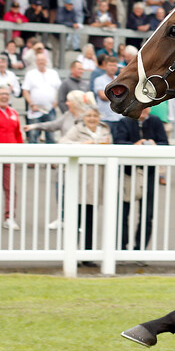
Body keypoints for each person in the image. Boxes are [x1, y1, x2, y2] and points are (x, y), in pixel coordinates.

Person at [59, 106, 112, 264]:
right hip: (80, 180)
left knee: (90, 220)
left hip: (97, 181)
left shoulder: (104, 130)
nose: (91, 119)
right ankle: (71, 254)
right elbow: (63, 143)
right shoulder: (77, 129)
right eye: (88, 116)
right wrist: (85, 144)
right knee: (75, 220)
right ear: (83, 117)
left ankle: (87, 255)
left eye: (94, 116)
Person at [114, 106, 167, 252]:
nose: (143, 109)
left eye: (146, 106)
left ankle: (140, 249)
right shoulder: (125, 121)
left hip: (149, 173)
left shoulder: (156, 121)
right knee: (123, 213)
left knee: (147, 214)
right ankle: (121, 248)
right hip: (128, 173)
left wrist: (155, 145)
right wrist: (134, 145)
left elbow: (165, 143)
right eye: (140, 106)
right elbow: (118, 142)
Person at [21, 53, 61, 143]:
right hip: (35, 110)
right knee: (33, 135)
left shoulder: (53, 73)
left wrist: (57, 101)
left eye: (43, 60)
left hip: (50, 109)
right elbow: (25, 91)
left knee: (50, 136)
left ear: (46, 61)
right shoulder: (30, 74)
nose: (41, 62)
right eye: (39, 60)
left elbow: (60, 89)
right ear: (36, 62)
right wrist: (31, 103)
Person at [25, 89, 93, 138]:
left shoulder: (89, 118)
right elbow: (52, 125)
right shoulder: (67, 115)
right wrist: (33, 126)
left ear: (75, 103)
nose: (66, 103)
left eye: (69, 101)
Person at [0, 85, 23, 230]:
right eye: (2, 93)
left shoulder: (13, 112)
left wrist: (20, 151)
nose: (4, 96)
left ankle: (9, 217)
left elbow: (18, 134)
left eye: (7, 94)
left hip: (11, 154)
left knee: (10, 188)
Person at [93, 57, 123, 133]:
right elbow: (102, 96)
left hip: (119, 118)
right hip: (105, 118)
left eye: (114, 66)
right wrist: (119, 96)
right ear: (105, 66)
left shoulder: (120, 80)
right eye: (110, 65)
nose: (112, 68)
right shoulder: (99, 80)